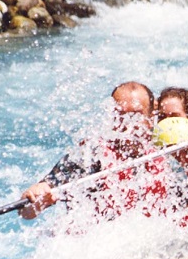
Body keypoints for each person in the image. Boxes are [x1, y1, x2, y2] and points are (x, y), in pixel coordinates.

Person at [19, 81, 157, 220]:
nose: (126, 124)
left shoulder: (163, 148)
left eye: (135, 116)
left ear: (151, 117)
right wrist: (34, 197)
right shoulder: (92, 154)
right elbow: (27, 212)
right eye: (119, 115)